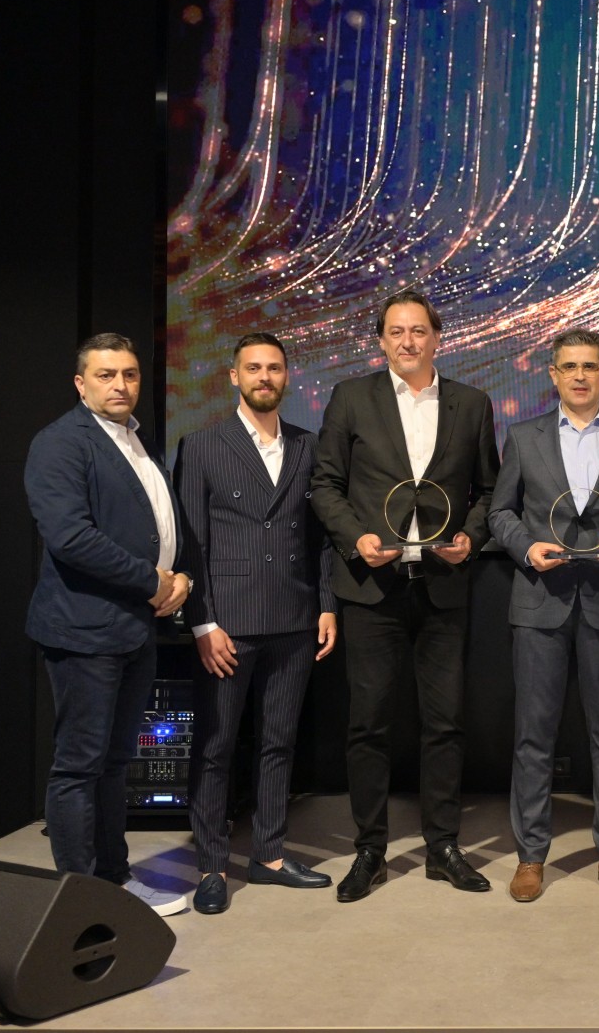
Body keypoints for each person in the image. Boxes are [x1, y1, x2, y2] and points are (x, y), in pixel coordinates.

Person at [310, 289, 500, 902]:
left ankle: (443, 846)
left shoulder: (472, 403)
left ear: (437, 338)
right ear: (381, 341)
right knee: (368, 724)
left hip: (443, 586)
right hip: (372, 588)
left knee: (445, 724)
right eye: (396, 332)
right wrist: (356, 539)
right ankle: (369, 849)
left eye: (419, 331)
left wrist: (471, 538)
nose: (408, 341)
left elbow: (489, 491)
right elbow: (325, 484)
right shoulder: (351, 397)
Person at [487, 328, 599, 903]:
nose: (580, 376)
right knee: (533, 736)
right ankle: (530, 856)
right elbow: (500, 512)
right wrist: (525, 547)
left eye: (590, 366)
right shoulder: (524, 436)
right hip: (540, 600)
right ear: (553, 375)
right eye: (570, 366)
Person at [24, 332, 192, 916]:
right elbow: (71, 538)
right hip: (84, 630)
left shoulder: (134, 441)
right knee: (79, 767)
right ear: (81, 384)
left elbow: (156, 525)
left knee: (116, 764)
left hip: (133, 629)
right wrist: (153, 581)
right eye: (105, 375)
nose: (120, 385)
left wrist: (181, 579)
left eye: (129, 374)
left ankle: (113, 883)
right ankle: (80, 902)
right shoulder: (59, 443)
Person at [173, 332, 338, 914]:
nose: (264, 377)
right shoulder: (202, 445)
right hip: (229, 625)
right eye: (253, 368)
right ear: (234, 377)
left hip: (294, 619)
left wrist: (326, 604)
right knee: (216, 747)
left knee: (278, 743)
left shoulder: (308, 445)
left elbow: (321, 538)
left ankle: (269, 856)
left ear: (286, 376)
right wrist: (202, 624)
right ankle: (212, 866)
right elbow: (191, 544)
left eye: (273, 368)